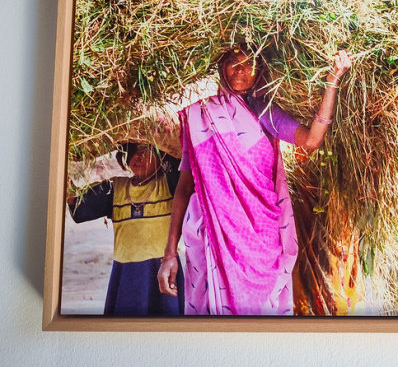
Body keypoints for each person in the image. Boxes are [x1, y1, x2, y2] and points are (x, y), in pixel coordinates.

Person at [157, 45, 351, 315]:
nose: (240, 70)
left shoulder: (266, 111)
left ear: (260, 70)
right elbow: (184, 187)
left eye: (249, 63)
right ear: (220, 66)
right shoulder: (201, 116)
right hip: (213, 241)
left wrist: (332, 82)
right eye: (233, 62)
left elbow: (312, 139)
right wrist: (169, 253)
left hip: (262, 245)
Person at [67, 142, 184, 315]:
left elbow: (180, 168)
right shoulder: (115, 188)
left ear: (160, 156)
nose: (138, 158)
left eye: (145, 152)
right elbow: (78, 207)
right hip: (126, 274)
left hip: (162, 269)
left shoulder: (169, 185)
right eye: (133, 152)